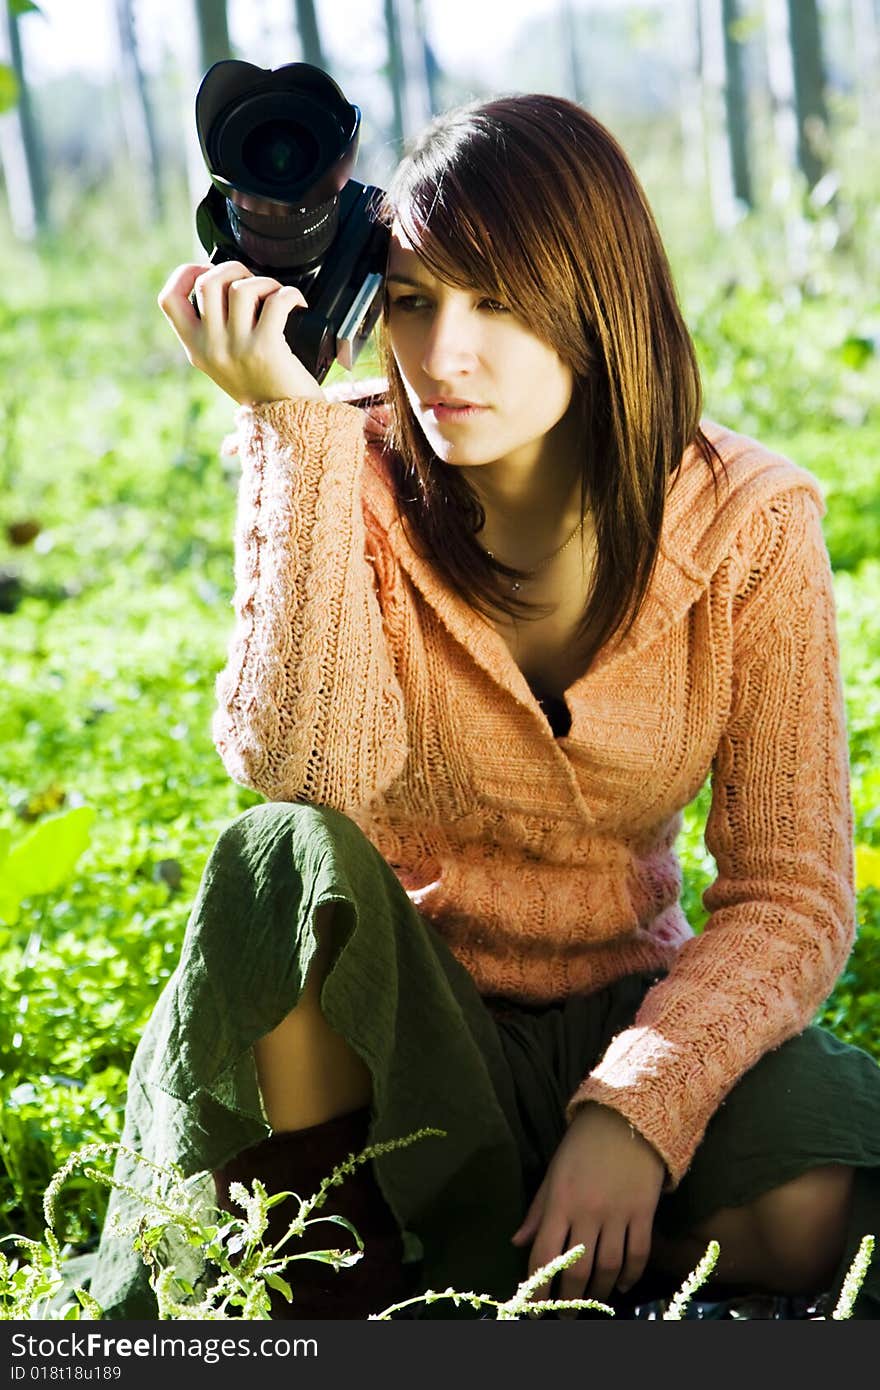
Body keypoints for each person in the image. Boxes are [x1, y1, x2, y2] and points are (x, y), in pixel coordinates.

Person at [89, 93, 880, 1322]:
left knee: (814, 1203)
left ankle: (514, 1264)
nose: (444, 352)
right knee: (278, 854)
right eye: (412, 300)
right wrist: (292, 435)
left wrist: (637, 1108)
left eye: (499, 300)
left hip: (627, 1003)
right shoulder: (329, 466)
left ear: (599, 302)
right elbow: (305, 772)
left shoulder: (748, 525)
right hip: (396, 1027)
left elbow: (792, 892)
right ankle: (369, 1293)